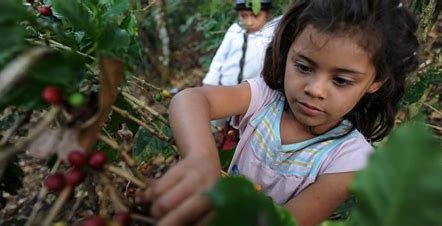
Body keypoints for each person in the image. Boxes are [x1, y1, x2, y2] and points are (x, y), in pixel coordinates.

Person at [140, 0, 419, 225]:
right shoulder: (264, 98)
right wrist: (202, 158)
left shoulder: (350, 161)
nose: (315, 90)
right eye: (304, 67)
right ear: (288, 54)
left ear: (375, 83)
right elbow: (191, 99)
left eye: (341, 80)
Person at [202, 0, 279, 86]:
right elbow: (220, 58)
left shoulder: (272, 30)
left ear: (267, 14)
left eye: (256, 15)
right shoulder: (234, 30)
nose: (249, 22)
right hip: (225, 87)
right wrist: (209, 82)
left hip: (254, 91)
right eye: (243, 16)